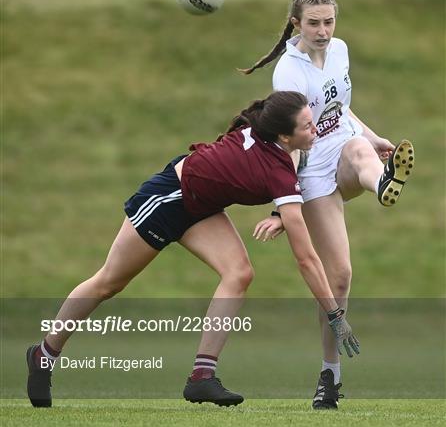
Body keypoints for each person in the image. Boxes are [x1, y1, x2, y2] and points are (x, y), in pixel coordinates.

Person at [26, 90, 359, 409]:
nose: (315, 128)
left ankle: (202, 375)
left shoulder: (275, 138)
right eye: (307, 126)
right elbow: (306, 259)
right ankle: (45, 354)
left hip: (201, 206)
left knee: (239, 272)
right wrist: (334, 314)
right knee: (108, 283)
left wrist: (278, 215)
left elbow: (298, 163)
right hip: (168, 199)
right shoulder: (276, 168)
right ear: (284, 137)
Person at [241, 0, 415, 409]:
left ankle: (383, 182)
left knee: (357, 147)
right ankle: (329, 377)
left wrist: (374, 138)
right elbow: (290, 144)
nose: (323, 31)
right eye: (314, 23)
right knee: (338, 279)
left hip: (347, 152)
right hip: (311, 170)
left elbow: (342, 108)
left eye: (329, 21)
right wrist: (284, 207)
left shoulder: (340, 51)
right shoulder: (289, 73)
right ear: (296, 24)